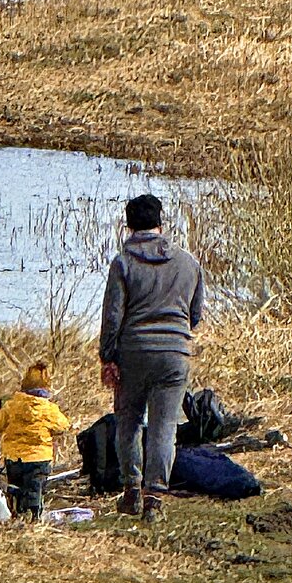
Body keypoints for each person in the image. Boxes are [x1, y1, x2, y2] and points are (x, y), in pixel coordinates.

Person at [99, 194, 205, 523]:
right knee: (164, 427)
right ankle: (154, 499)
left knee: (129, 421)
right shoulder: (188, 262)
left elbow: (112, 317)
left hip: (133, 353)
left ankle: (131, 491)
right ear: (161, 223)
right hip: (174, 354)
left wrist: (108, 357)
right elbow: (196, 315)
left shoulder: (122, 263)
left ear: (128, 226)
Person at [0, 361, 71, 521]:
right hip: (39, 458)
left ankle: (17, 515)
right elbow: (63, 426)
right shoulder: (48, 409)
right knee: (35, 490)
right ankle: (34, 519)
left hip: (14, 458)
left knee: (16, 488)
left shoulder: (11, 406)